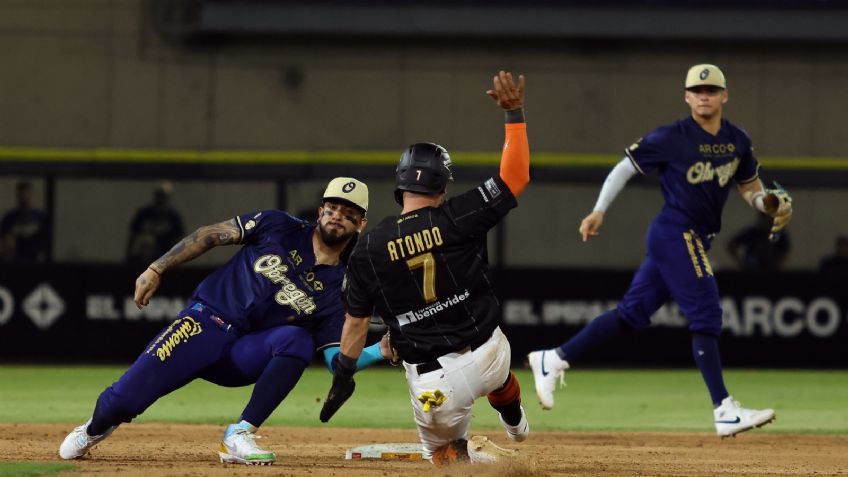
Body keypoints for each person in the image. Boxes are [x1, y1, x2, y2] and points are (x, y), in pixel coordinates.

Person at [528, 64, 793, 438]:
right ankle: (724, 409)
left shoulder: (738, 140)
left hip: (695, 236)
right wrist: (599, 209)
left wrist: (768, 203)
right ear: (686, 96)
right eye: (697, 91)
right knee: (707, 313)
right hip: (676, 231)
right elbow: (624, 168)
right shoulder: (671, 136)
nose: (704, 96)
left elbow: (750, 188)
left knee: (631, 314)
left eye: (712, 90)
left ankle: (553, 358)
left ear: (724, 95)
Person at [60, 177, 388, 465]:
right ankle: (93, 429)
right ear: (320, 211)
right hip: (201, 327)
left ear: (361, 224)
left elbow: (336, 359)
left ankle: (240, 433)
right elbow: (212, 234)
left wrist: (381, 351)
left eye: (349, 214)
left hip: (242, 355)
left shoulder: (339, 287)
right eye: (332, 208)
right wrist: (157, 268)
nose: (337, 217)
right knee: (121, 402)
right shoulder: (279, 225)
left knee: (297, 341)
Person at [319, 71, 531, 465]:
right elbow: (516, 176)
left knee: (444, 457)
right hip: (491, 352)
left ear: (400, 186)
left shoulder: (367, 247)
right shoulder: (458, 216)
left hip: (436, 382)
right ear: (443, 186)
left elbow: (355, 326)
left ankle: (488, 464)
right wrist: (514, 113)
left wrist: (345, 372)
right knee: (499, 373)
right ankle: (515, 421)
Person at [126, 182, 185, 266]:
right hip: (143, 258)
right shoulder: (144, 214)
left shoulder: (173, 216)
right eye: (159, 195)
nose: (161, 199)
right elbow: (133, 235)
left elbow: (179, 238)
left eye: (164, 196)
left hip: (164, 256)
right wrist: (129, 254)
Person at [0, 181, 48, 262]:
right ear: (17, 196)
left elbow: (45, 241)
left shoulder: (40, 218)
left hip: (35, 261)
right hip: (15, 261)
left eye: (26, 197)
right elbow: (6, 241)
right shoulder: (9, 218)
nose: (23, 199)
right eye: (21, 197)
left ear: (31, 195)